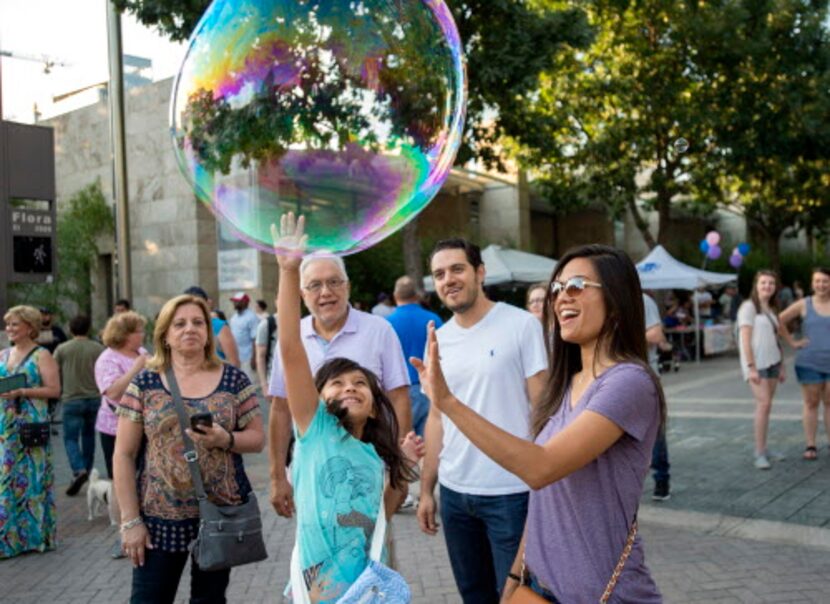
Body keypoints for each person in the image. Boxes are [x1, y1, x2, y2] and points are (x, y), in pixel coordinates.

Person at [413, 244, 664, 603]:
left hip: (601, 591)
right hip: (543, 589)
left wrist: (449, 402)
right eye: (557, 288)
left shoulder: (628, 382)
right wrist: (516, 578)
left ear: (616, 298)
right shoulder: (570, 384)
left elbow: (540, 467)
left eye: (577, 284)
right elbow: (546, 496)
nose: (562, 297)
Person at [272, 214, 423, 602]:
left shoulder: (374, 457)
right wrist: (288, 271)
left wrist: (402, 465)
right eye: (336, 384)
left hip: (367, 583)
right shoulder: (316, 431)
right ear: (317, 398)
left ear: (376, 408)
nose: (350, 388)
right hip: (321, 585)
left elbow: (384, 512)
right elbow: (290, 349)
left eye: (360, 384)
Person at [417, 238, 548, 604]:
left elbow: (543, 410)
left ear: (479, 272)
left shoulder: (521, 326)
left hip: (511, 492)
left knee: (519, 597)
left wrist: (547, 483)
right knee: (473, 596)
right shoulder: (438, 340)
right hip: (456, 494)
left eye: (457, 269)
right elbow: (437, 419)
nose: (448, 280)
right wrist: (427, 489)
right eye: (439, 274)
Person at [113, 294, 265, 603]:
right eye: (179, 324)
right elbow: (123, 455)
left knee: (209, 600)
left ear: (209, 332)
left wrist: (227, 439)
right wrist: (130, 522)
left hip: (218, 516)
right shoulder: (145, 383)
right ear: (165, 335)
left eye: (198, 322)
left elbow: (258, 439)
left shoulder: (233, 380)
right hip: (157, 522)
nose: (189, 329)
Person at [267, 252, 411, 520]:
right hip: (313, 474)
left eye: (334, 282)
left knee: (374, 544)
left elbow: (399, 398)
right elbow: (281, 409)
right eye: (315, 285)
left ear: (348, 286)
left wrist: (399, 469)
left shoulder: (379, 330)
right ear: (301, 293)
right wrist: (277, 477)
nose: (326, 292)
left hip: (371, 470)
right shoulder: (293, 340)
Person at [0, 305, 61, 559]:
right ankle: (8, 540)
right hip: (6, 427)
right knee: (6, 481)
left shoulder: (41, 355)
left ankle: (35, 538)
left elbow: (54, 390)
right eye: (8, 324)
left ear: (29, 327)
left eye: (15, 324)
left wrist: (22, 392)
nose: (9, 329)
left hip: (31, 426)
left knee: (33, 480)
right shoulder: (3, 355)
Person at [95, 310, 149, 559]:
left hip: (145, 424)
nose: (143, 335)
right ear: (125, 334)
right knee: (121, 480)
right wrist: (136, 369)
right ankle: (123, 533)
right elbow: (113, 391)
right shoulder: (107, 358)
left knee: (146, 475)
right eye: (139, 330)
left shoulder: (142, 353)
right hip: (115, 428)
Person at [779, 267, 830, 461]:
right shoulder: (804, 304)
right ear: (812, 283)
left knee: (829, 403)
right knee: (811, 403)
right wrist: (792, 342)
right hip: (809, 362)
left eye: (825, 281)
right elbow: (779, 320)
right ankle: (811, 445)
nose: (821, 285)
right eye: (817, 281)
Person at [737, 271, 786, 469]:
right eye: (764, 282)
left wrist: (782, 364)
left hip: (773, 361)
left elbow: (776, 338)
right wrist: (751, 367)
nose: (767, 286)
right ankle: (759, 453)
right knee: (763, 405)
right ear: (756, 285)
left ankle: (764, 448)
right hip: (757, 364)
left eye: (771, 283)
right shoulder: (748, 307)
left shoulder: (772, 307)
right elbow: (745, 340)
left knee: (767, 406)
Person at [53, 315, 106, 495]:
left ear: (70, 328)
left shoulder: (62, 349)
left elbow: (54, 370)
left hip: (71, 398)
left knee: (70, 438)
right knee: (89, 435)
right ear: (89, 328)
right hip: (94, 397)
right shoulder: (98, 348)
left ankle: (78, 469)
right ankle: (88, 470)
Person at [386, 275, 443, 438]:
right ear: (417, 296)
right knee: (430, 444)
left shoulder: (386, 324)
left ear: (395, 296)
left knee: (403, 447)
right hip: (430, 388)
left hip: (397, 391)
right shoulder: (434, 320)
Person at [643, 293, 672, 498]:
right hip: (610, 376)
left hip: (645, 374)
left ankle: (661, 479)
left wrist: (621, 335)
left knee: (654, 431)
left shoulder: (642, 300)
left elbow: (655, 334)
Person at [184, 286, 240, 368]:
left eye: (199, 304)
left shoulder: (219, 326)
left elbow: (234, 363)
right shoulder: (182, 328)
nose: (194, 309)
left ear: (207, 304)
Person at [229, 292, 260, 382]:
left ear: (245, 302)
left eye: (238, 301)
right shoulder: (234, 318)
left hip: (248, 358)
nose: (235, 303)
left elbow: (255, 339)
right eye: (234, 301)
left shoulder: (252, 317)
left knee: (249, 386)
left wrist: (254, 359)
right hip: (237, 357)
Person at [255, 309, 278, 393]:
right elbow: (260, 355)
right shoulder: (267, 324)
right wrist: (264, 385)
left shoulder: (303, 322)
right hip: (274, 383)